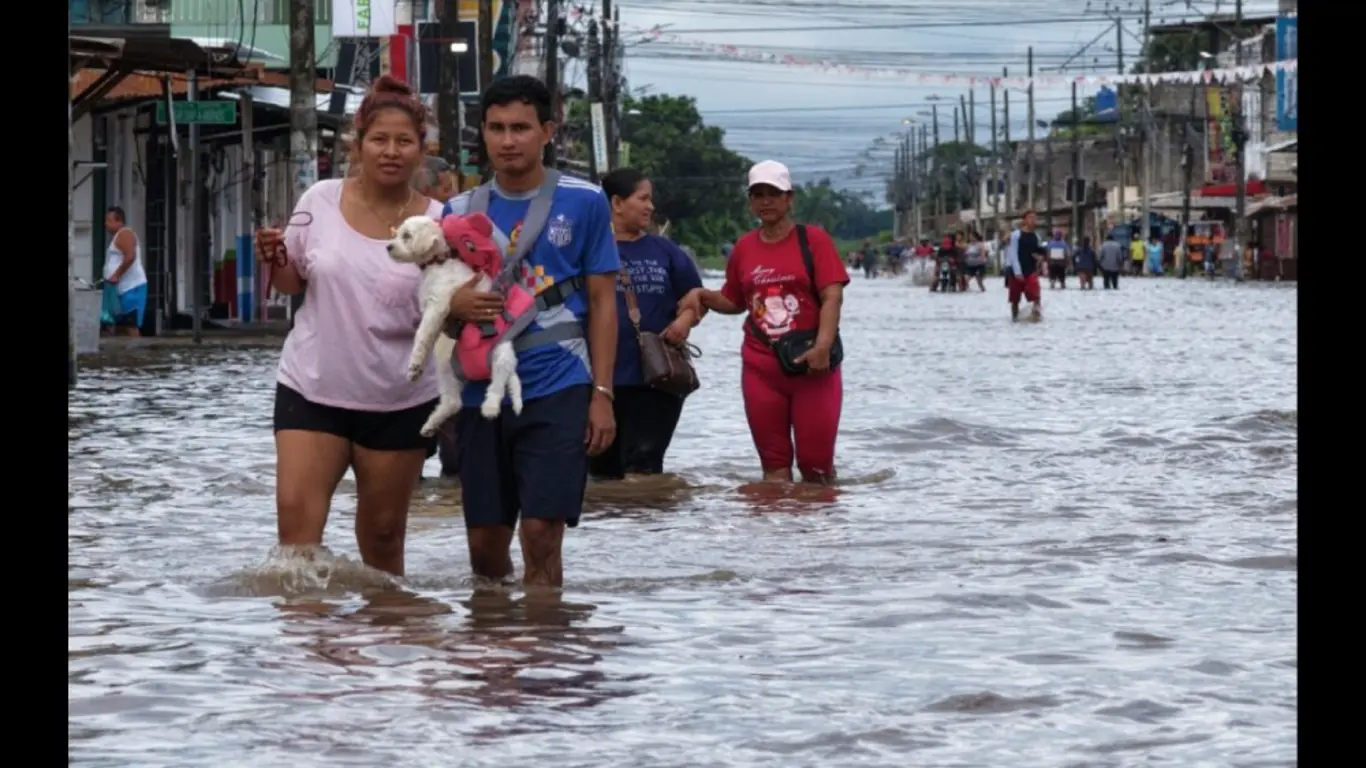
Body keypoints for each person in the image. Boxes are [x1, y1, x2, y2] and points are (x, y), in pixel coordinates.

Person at [252, 76, 443, 577]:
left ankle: (383, 647)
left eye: (404, 141)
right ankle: (305, 649)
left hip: (399, 398)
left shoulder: (441, 224)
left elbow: (452, 308)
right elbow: (293, 283)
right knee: (294, 546)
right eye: (379, 139)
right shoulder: (319, 199)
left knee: (383, 539)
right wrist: (274, 259)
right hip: (312, 388)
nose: (391, 152)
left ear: (422, 150)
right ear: (357, 145)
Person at [441, 75, 620, 588]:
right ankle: (498, 649)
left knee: (541, 532)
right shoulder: (457, 214)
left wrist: (602, 394)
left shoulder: (585, 202)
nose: (507, 140)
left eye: (520, 127)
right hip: (482, 393)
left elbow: (604, 302)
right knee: (484, 547)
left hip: (559, 382)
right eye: (496, 128)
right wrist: (455, 305)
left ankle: (545, 650)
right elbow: (439, 312)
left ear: (547, 131)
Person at [679, 160, 848, 485]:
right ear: (750, 201)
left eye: (774, 193)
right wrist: (702, 295)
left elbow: (832, 297)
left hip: (812, 366)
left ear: (790, 198)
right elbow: (735, 300)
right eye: (758, 194)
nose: (766, 201)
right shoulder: (744, 248)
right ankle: (772, 534)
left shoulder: (814, 241)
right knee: (774, 468)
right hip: (761, 367)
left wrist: (823, 347)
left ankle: (818, 534)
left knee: (816, 469)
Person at [591, 168, 703, 480]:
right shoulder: (588, 248)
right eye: (643, 199)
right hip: (599, 381)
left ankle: (649, 530)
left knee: (645, 467)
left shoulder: (664, 250)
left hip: (655, 380)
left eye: (650, 200)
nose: (650, 207)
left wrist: (684, 321)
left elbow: (696, 296)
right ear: (616, 202)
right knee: (601, 473)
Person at [101, 206, 148, 336]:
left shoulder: (125, 234)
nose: (106, 224)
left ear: (119, 221)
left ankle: (136, 353)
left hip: (131, 288)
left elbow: (130, 256)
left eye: (109, 221)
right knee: (120, 327)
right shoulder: (117, 237)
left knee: (130, 327)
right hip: (120, 289)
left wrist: (116, 275)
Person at [1003, 210, 1047, 321]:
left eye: (1035, 218)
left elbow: (1038, 250)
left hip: (1030, 270)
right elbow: (1013, 254)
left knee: (1036, 294)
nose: (1033, 220)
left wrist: (1042, 256)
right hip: (1016, 271)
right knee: (1015, 300)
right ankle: (1015, 318)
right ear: (1024, 220)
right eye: (1030, 218)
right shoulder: (1016, 235)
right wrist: (1017, 272)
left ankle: (1036, 315)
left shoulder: (1036, 236)